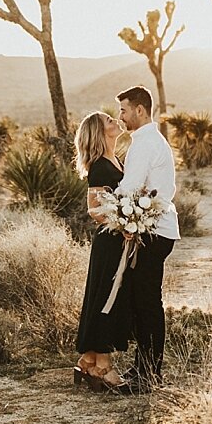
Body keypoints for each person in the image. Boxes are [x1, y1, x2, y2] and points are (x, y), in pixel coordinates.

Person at [113, 84, 180, 392]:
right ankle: (144, 369)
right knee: (143, 303)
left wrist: (115, 210)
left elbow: (130, 188)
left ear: (139, 110)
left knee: (147, 303)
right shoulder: (152, 140)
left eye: (124, 110)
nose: (121, 116)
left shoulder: (144, 143)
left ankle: (149, 375)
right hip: (154, 230)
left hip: (153, 232)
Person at [72, 110, 134, 391]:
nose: (115, 121)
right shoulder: (100, 165)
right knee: (107, 298)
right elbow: (94, 209)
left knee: (107, 297)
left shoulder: (115, 159)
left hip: (117, 239)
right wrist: (123, 224)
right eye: (109, 120)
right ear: (100, 132)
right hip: (109, 241)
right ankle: (104, 365)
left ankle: (89, 360)